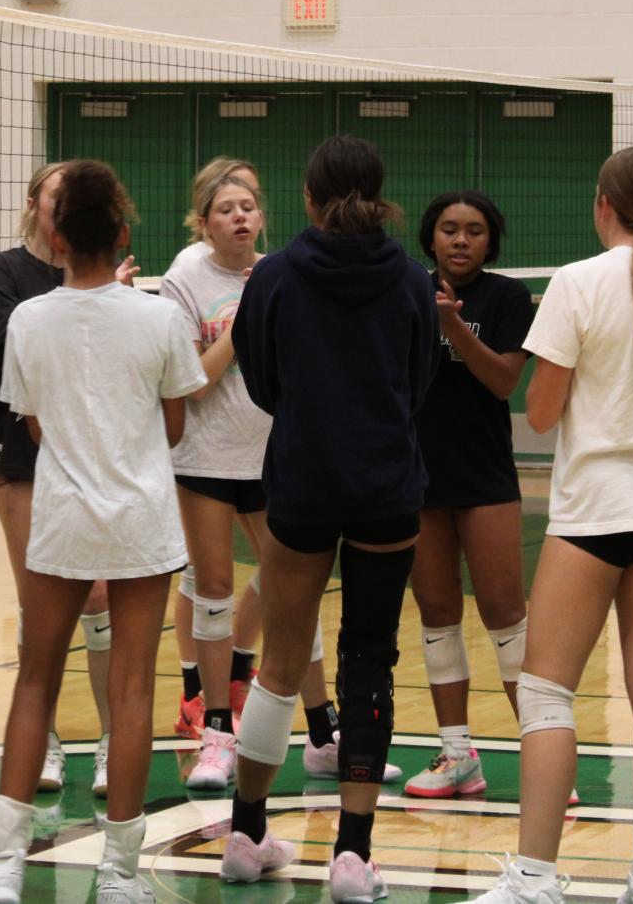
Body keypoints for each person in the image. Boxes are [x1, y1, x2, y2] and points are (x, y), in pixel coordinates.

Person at [0, 160, 203, 904]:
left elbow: (30, 419)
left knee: (34, 678)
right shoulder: (159, 317)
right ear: (120, 233)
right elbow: (175, 424)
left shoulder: (28, 318)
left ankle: (0, 862)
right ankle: (120, 873)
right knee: (130, 693)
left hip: (61, 517)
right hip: (142, 522)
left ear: (54, 237)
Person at [468, 146, 633, 904]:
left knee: (547, 694)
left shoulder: (578, 284)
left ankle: (534, 878)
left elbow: (541, 412)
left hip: (596, 510)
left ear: (601, 204)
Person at [221, 136, 435, 904]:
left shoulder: (274, 275)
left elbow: (262, 379)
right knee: (368, 659)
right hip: (384, 485)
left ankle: (246, 835)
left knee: (281, 661)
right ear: (378, 198)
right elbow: (417, 382)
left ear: (309, 199)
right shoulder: (411, 280)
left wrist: (314, 418)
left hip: (303, 482)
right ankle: (352, 857)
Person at [0, 162, 114, 794]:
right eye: (58, 195)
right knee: (40, 600)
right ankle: (45, 738)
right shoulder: (4, 270)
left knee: (101, 600)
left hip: (95, 448)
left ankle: (111, 741)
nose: (66, 206)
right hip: (25, 450)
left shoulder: (102, 273)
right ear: (34, 204)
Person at [403, 190, 533, 800]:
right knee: (436, 614)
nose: (460, 240)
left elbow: (504, 380)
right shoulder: (405, 290)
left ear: (490, 241)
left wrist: (452, 325)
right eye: (450, 229)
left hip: (484, 479)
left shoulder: (506, 297)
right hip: (419, 477)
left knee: (505, 612)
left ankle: (542, 748)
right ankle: (457, 753)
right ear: (431, 237)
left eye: (474, 231)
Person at [159, 163, 272, 791]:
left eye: (249, 204)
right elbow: (192, 382)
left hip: (271, 456)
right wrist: (239, 328)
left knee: (285, 580)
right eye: (227, 206)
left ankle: (301, 718)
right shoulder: (185, 277)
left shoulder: (275, 272)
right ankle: (213, 725)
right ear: (203, 219)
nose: (240, 216)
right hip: (205, 457)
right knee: (211, 584)